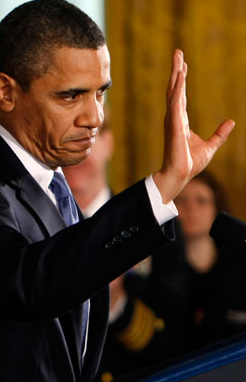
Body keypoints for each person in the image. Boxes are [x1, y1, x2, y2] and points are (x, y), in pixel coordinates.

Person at [0, 0, 234, 382]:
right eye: (71, 96)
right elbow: (30, 284)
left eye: (100, 92)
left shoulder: (50, 181)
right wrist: (166, 183)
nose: (94, 117)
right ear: (5, 92)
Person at [63, 123, 188, 381]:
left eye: (87, 137)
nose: (77, 154)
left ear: (109, 142)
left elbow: (178, 333)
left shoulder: (152, 223)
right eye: (65, 141)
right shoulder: (35, 230)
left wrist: (117, 302)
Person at [175, 172, 246, 351]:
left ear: (217, 209)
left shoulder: (239, 267)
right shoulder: (163, 270)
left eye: (201, 201)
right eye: (181, 201)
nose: (191, 208)